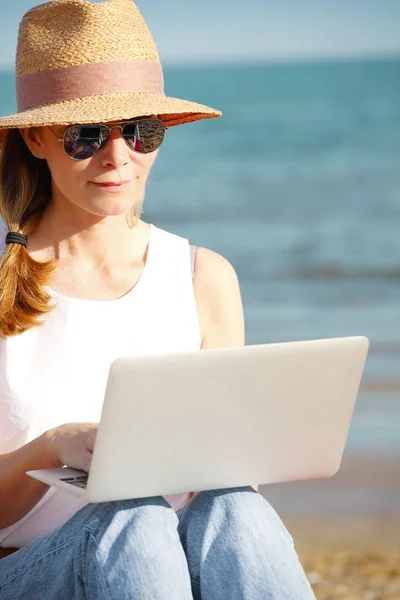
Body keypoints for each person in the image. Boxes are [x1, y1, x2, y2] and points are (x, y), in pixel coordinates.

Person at [0, 1, 316, 598]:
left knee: (239, 508)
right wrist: (49, 448)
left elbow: (226, 472)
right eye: (85, 136)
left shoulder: (203, 276)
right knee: (133, 515)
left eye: (140, 132)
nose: (118, 157)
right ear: (37, 139)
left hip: (165, 566)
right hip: (28, 571)